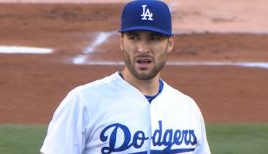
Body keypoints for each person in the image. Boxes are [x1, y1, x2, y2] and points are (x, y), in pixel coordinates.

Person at [40, 0, 211, 153]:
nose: (143, 49)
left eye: (154, 38)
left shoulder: (187, 109)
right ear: (121, 40)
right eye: (134, 37)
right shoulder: (83, 101)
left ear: (170, 43)